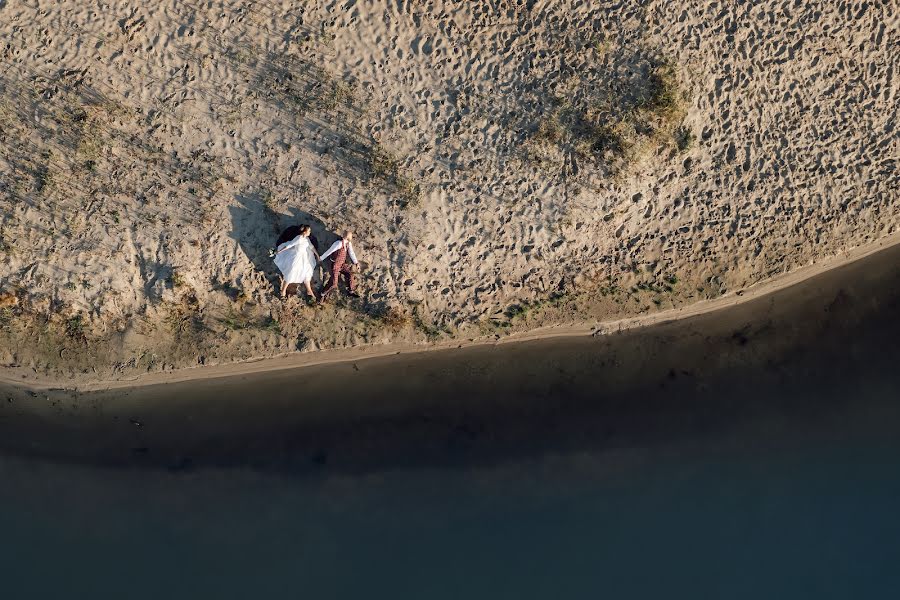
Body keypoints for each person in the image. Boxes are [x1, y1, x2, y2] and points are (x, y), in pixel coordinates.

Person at [273, 225, 319, 301]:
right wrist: (279, 251)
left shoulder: (307, 239)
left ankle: (309, 291)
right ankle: (283, 291)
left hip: (305, 257)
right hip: (296, 256)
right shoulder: (298, 238)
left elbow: (311, 247)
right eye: (309, 231)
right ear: (304, 232)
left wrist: (317, 256)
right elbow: (289, 245)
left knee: (307, 272)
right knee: (291, 273)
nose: (310, 232)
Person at [319, 230, 360, 299]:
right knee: (334, 283)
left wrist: (356, 263)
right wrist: (321, 258)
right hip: (334, 265)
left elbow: (351, 253)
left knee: (350, 274)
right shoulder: (338, 243)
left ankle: (351, 291)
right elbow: (329, 251)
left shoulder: (348, 244)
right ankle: (322, 293)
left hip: (342, 264)